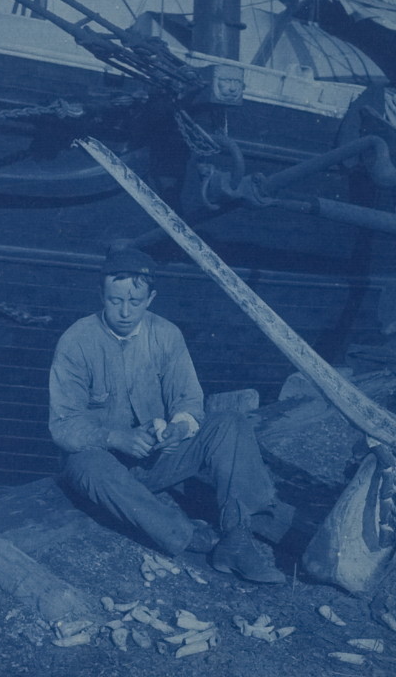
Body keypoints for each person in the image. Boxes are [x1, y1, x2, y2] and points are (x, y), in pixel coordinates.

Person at [48, 246, 288, 584]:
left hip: (157, 461)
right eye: (115, 301)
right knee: (86, 464)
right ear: (100, 294)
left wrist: (180, 427)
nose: (125, 312)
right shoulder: (76, 341)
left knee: (230, 425)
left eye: (135, 302)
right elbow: (63, 425)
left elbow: (189, 400)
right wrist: (117, 437)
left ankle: (236, 537)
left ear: (151, 298)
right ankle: (188, 536)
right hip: (105, 465)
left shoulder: (166, 335)